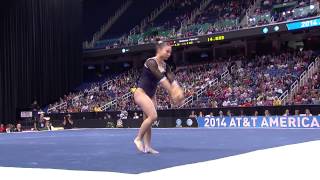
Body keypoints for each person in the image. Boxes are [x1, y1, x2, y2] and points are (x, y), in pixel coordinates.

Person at [133, 41, 184, 154]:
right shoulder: (151, 62)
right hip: (141, 93)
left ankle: (147, 146)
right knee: (153, 116)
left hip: (151, 96)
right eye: (167, 51)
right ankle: (138, 139)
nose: (169, 54)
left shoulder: (165, 66)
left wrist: (178, 89)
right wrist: (173, 93)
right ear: (159, 50)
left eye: (170, 52)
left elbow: (172, 79)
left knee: (148, 120)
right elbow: (162, 79)